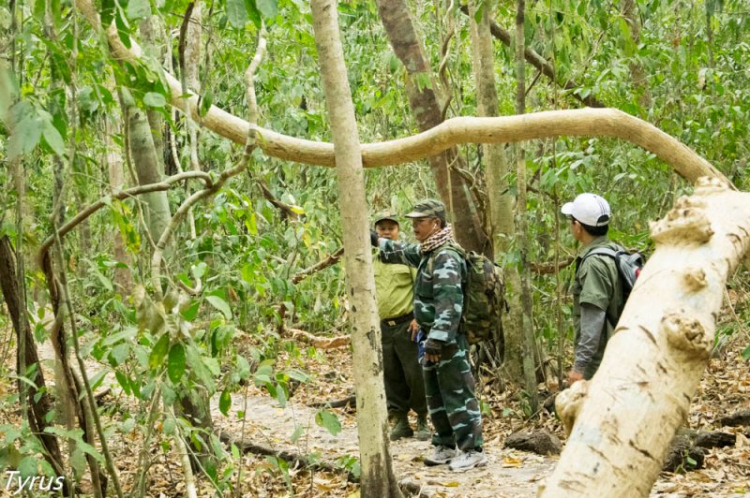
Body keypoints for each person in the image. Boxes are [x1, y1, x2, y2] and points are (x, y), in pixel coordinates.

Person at [371, 199, 486, 472]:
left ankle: (472, 450)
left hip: (447, 341)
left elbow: (450, 305)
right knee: (435, 395)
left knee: (457, 392)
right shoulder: (427, 252)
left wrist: (436, 339)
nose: (414, 227)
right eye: (412, 221)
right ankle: (445, 444)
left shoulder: (445, 256)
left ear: (436, 223)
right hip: (430, 339)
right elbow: (400, 250)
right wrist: (375, 239)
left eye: (419, 222)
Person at [372, 212, 430, 441]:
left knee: (415, 373)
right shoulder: (372, 258)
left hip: (408, 325)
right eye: (382, 228)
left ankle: (423, 419)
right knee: (391, 374)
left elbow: (421, 284)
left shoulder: (407, 256)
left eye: (390, 228)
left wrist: (419, 316)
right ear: (376, 233)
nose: (386, 232)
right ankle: (401, 420)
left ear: (397, 231)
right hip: (383, 327)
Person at [562, 193, 625, 384]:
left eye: (571, 221)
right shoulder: (617, 251)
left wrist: (579, 367)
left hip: (601, 362)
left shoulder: (594, 264)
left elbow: (593, 319)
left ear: (578, 227)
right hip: (621, 353)